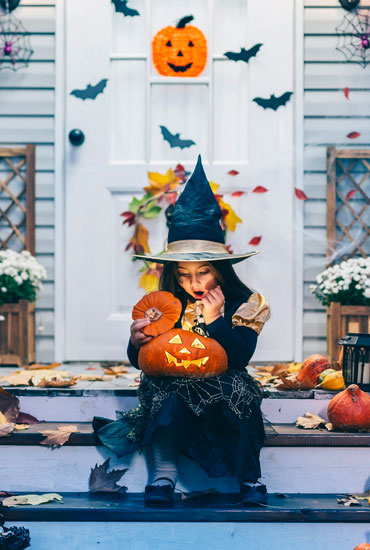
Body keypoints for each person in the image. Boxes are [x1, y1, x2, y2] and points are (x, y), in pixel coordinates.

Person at [94, 156, 271, 507]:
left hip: (225, 379)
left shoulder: (245, 302)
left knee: (241, 397)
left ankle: (249, 477)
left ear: (220, 270)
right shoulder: (165, 303)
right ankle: (164, 475)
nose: (194, 283)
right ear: (173, 274)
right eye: (184, 274)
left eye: (204, 272)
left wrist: (217, 319)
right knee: (164, 393)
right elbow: (146, 360)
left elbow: (239, 357)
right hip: (172, 381)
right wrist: (135, 343)